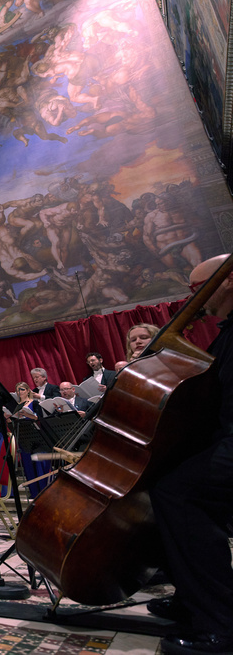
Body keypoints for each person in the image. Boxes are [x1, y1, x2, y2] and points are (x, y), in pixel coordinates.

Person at [148, 254, 233, 654]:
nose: (191, 301)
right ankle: (191, 597)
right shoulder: (226, 332)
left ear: (228, 280)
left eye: (197, 289)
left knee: (177, 493)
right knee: (166, 481)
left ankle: (220, 626)